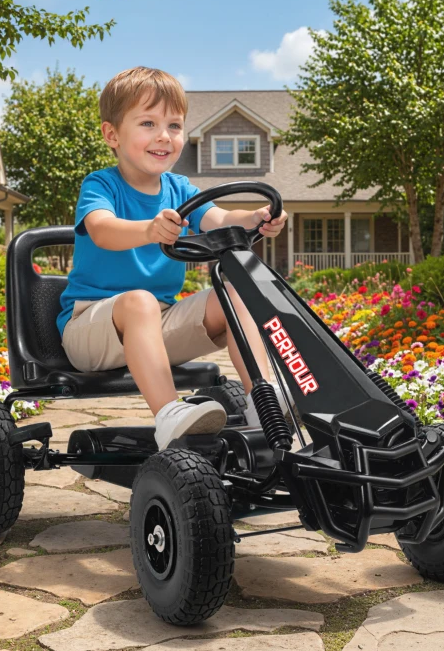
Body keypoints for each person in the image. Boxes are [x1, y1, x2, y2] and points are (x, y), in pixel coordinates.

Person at [57, 66, 289, 450]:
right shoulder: (101, 184)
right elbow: (102, 229)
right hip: (90, 328)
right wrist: (148, 229)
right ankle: (169, 415)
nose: (164, 136)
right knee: (139, 301)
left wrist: (254, 218)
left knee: (236, 293)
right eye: (148, 123)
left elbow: (219, 219)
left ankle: (262, 402)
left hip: (157, 324)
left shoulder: (180, 188)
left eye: (175, 126)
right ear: (111, 134)